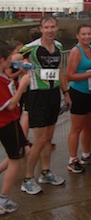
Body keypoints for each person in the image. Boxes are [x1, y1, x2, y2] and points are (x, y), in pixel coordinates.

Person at [20, 15, 66, 195]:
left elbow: (59, 70)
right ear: (41, 29)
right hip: (37, 95)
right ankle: (27, 178)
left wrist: (66, 92)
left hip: (53, 94)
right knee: (38, 140)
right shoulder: (31, 48)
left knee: (48, 137)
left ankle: (45, 172)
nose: (50, 30)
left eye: (53, 27)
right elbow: (12, 60)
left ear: (57, 27)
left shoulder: (59, 46)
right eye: (46, 27)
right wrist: (22, 65)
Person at [65, 25, 91, 174]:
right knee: (76, 128)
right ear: (77, 35)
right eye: (83, 34)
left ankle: (86, 154)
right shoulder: (75, 51)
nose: (87, 36)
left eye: (89, 34)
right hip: (79, 92)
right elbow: (69, 75)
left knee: (88, 127)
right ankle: (72, 159)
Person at [0, 41, 30, 213]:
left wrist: (22, 73)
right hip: (6, 124)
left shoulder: (5, 75)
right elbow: (10, 104)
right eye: (9, 58)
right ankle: (3, 198)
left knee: (25, 150)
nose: (12, 60)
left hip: (12, 121)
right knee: (15, 160)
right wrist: (23, 85)